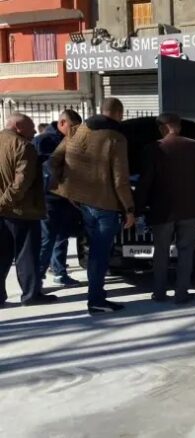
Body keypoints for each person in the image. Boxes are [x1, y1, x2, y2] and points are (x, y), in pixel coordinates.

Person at [49, 98, 135, 315]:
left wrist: (67, 189)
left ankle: (96, 297)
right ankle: (96, 300)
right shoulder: (116, 138)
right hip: (105, 203)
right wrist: (129, 209)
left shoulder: (76, 131)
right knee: (100, 254)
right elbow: (120, 179)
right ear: (119, 113)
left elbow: (53, 160)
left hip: (83, 203)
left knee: (94, 251)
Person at [136, 113, 195, 305]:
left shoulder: (152, 149)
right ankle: (181, 293)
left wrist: (138, 208)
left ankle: (159, 292)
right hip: (190, 208)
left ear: (162, 128)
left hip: (162, 209)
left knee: (161, 251)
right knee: (186, 251)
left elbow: (145, 182)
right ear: (179, 126)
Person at [0, 113, 57, 307]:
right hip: (22, 211)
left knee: (2, 255)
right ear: (18, 126)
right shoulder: (24, 146)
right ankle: (31, 294)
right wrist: (4, 202)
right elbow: (21, 183)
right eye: (31, 127)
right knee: (27, 256)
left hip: (4, 211)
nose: (34, 131)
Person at [32, 110, 82, 287]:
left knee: (62, 238)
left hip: (65, 198)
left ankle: (59, 272)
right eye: (73, 127)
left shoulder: (71, 140)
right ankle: (35, 280)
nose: (75, 131)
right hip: (49, 199)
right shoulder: (43, 141)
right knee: (47, 240)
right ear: (62, 123)